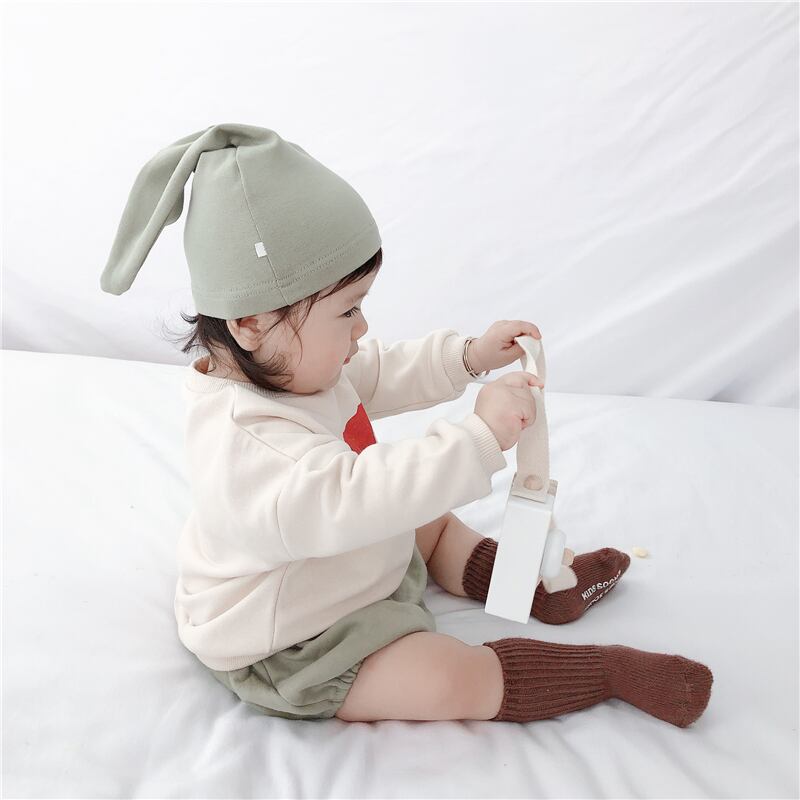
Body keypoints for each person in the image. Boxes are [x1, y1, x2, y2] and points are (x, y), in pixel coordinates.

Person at [100, 123, 713, 725]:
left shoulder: (294, 367)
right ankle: (605, 671)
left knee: (429, 524)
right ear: (252, 322)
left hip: (340, 558)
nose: (362, 328)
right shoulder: (248, 444)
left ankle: (531, 583)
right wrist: (478, 438)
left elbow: (380, 370)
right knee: (445, 680)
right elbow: (361, 494)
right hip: (294, 640)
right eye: (348, 311)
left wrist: (469, 356)